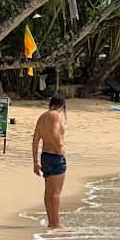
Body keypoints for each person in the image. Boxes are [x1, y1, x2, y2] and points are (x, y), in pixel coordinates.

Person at [32, 94, 68, 230]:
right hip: (55, 156)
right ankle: (56, 222)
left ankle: (51, 221)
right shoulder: (56, 115)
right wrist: (60, 149)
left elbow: (35, 139)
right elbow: (55, 134)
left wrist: (35, 162)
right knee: (56, 192)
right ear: (62, 105)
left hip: (45, 156)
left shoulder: (42, 117)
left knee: (48, 192)